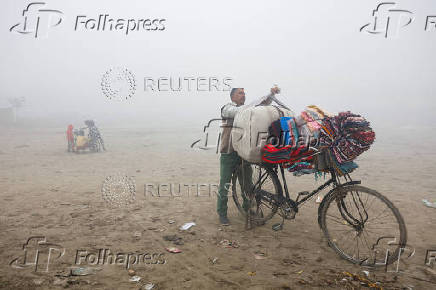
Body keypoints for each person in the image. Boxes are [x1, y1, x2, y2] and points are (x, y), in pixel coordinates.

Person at [217, 86, 280, 225]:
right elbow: (246, 110)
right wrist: (260, 103)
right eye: (240, 93)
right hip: (229, 152)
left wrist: (270, 96)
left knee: (247, 184)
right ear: (232, 96)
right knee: (225, 184)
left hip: (243, 153)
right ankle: (222, 213)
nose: (243, 95)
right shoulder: (227, 108)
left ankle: (248, 209)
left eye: (244, 93)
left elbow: (257, 108)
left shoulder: (247, 111)